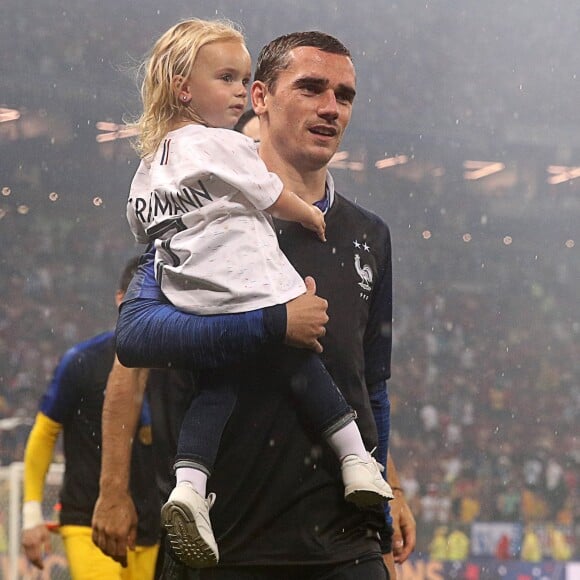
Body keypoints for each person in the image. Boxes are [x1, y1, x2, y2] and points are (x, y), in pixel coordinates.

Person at [93, 29, 417, 579]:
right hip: (224, 536)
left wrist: (390, 492)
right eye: (311, 88)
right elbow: (137, 341)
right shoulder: (199, 212)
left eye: (344, 95)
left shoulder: (370, 235)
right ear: (261, 98)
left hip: (343, 543)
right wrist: (112, 489)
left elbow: (370, 382)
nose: (330, 107)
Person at [21, 257, 160, 579]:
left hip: (150, 530)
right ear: (120, 300)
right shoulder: (82, 361)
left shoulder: (178, 365)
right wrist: (31, 514)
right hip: (88, 522)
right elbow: (44, 434)